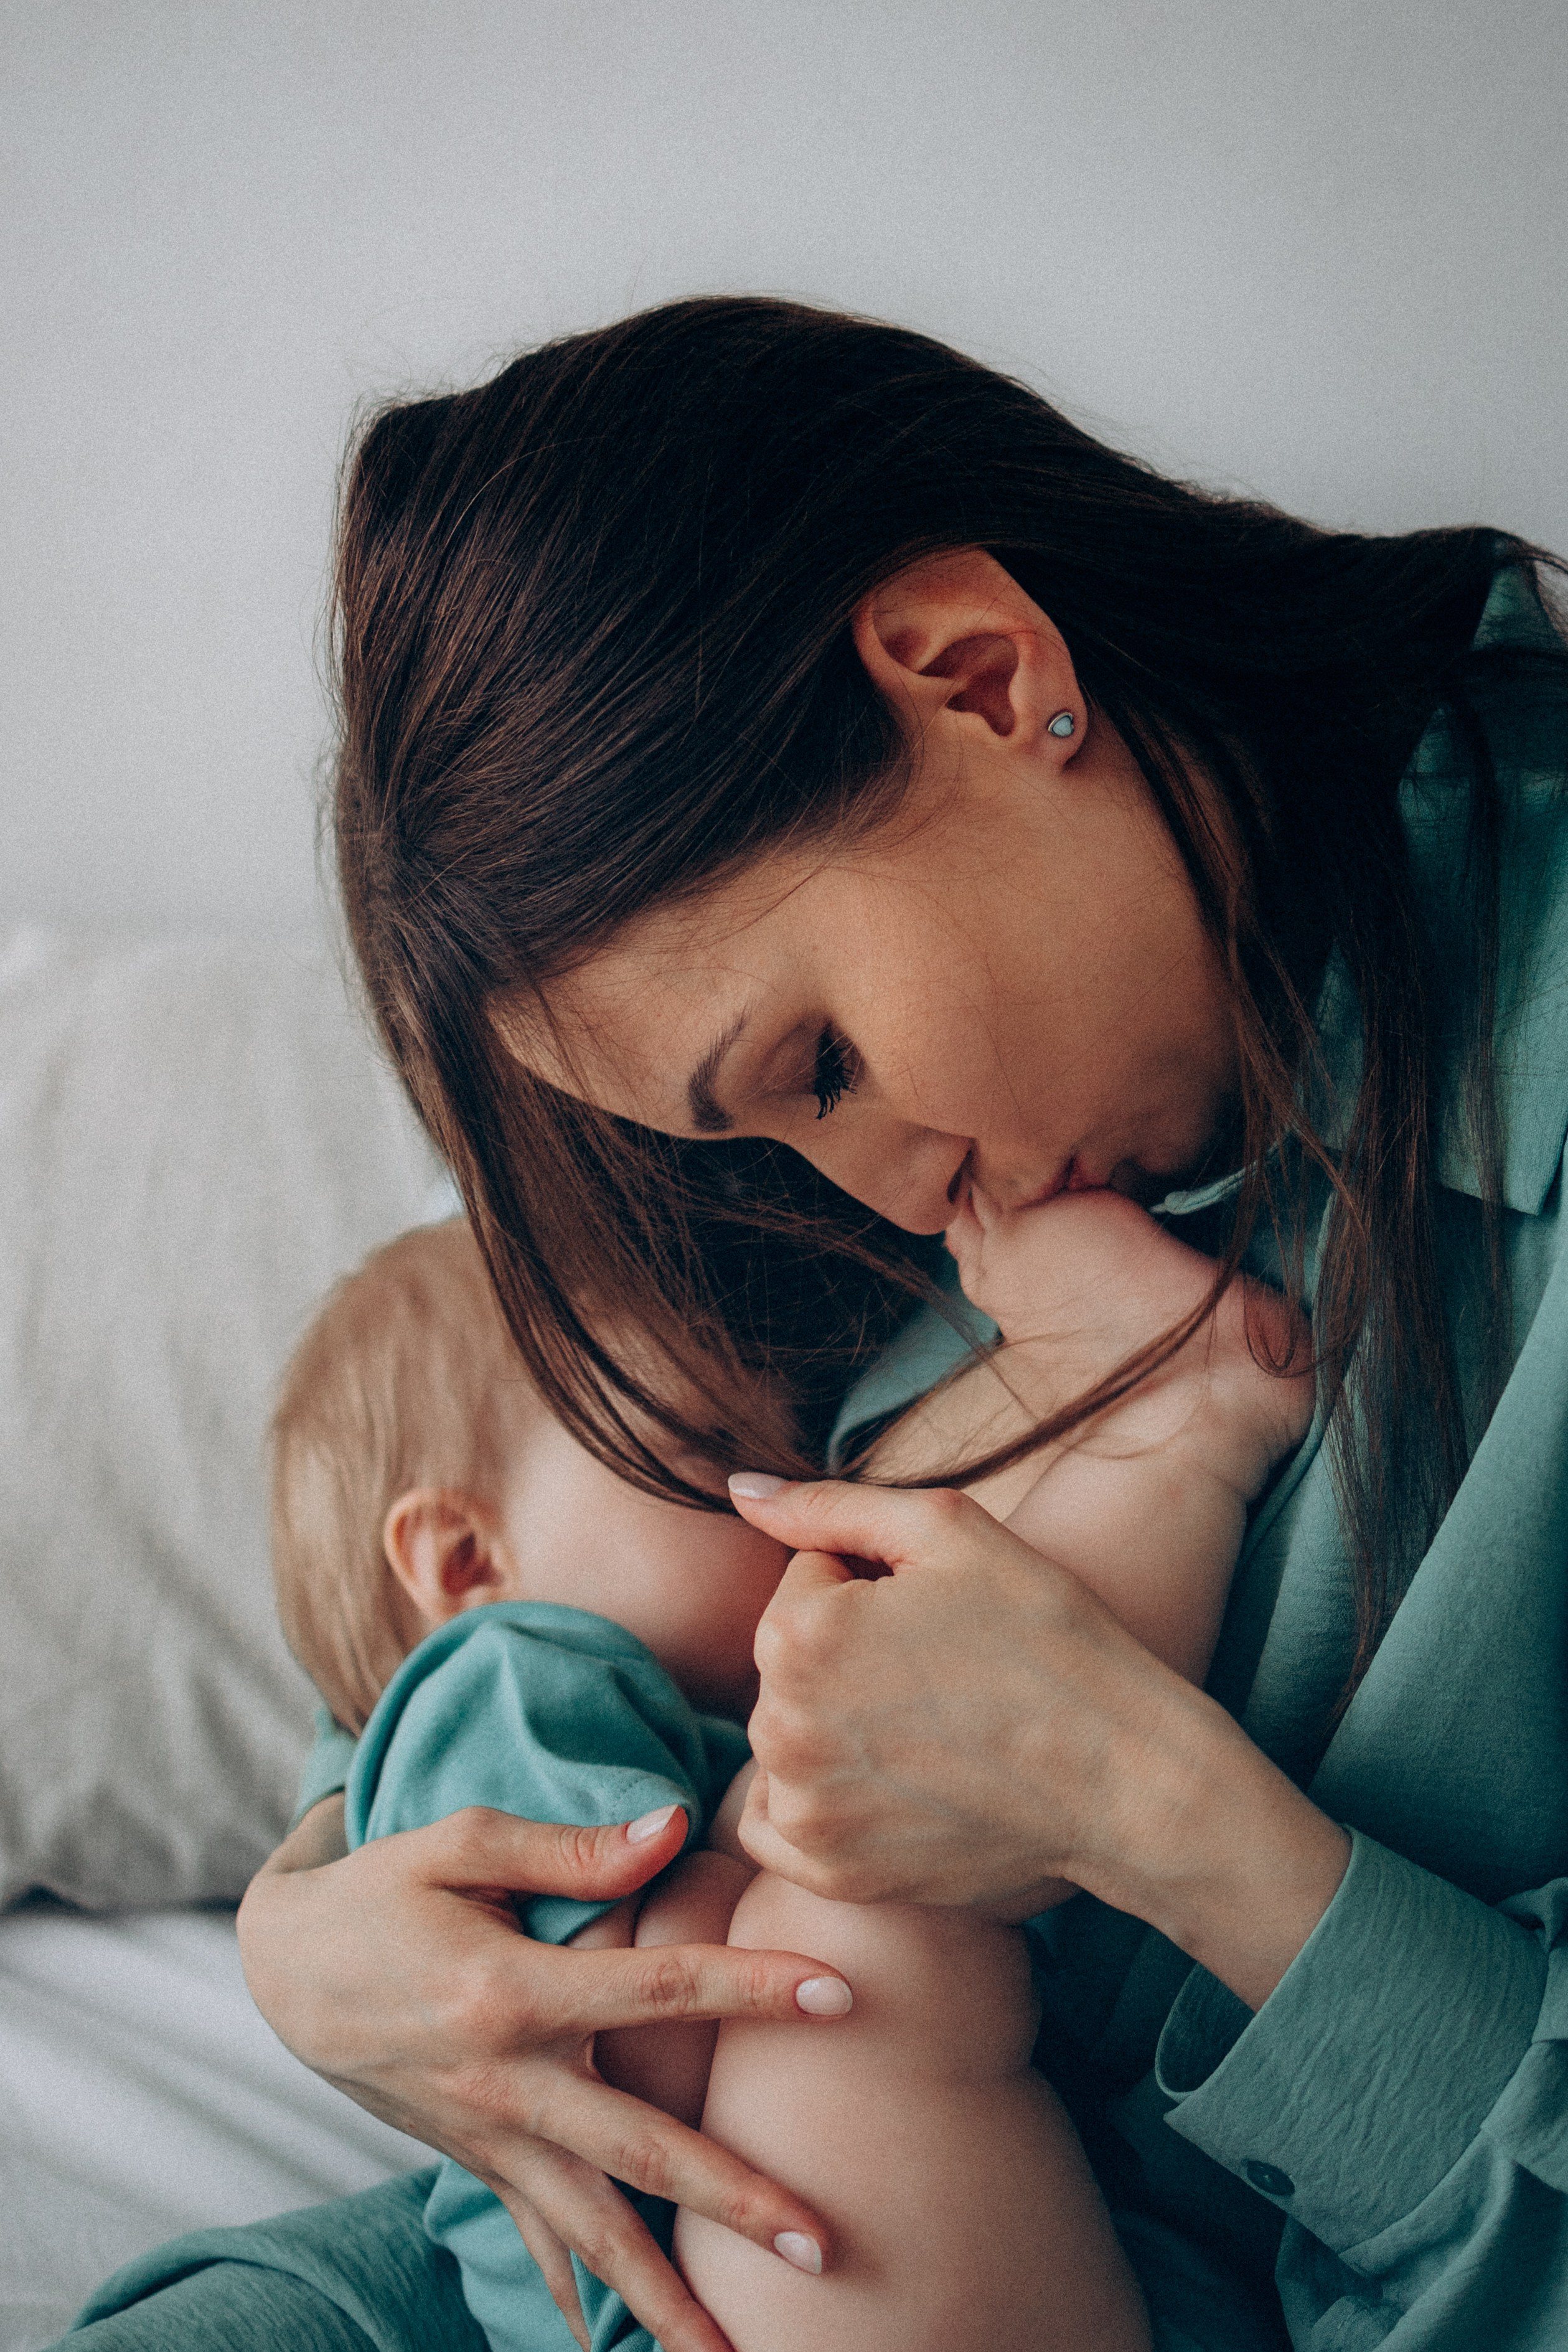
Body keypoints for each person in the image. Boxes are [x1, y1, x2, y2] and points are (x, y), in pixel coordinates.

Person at [63, 297, 1568, 2352]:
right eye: (767, 1124)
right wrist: (320, 1918)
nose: (884, 1197)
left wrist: (1157, 1815)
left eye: (824, 1061)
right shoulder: (824, 1195)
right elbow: (544, 1597)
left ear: (983, 672)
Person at [255, 1160, 1305, 2352]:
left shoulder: (619, 1707)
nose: (785, 1485)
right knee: (864, 1876)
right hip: (696, 2312)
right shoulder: (503, 1679)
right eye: (710, 1448)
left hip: (841, 2285)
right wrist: (782, 1809)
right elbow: (623, 2047)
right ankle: (1189, 1422)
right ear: (462, 1558)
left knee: (890, 1780)